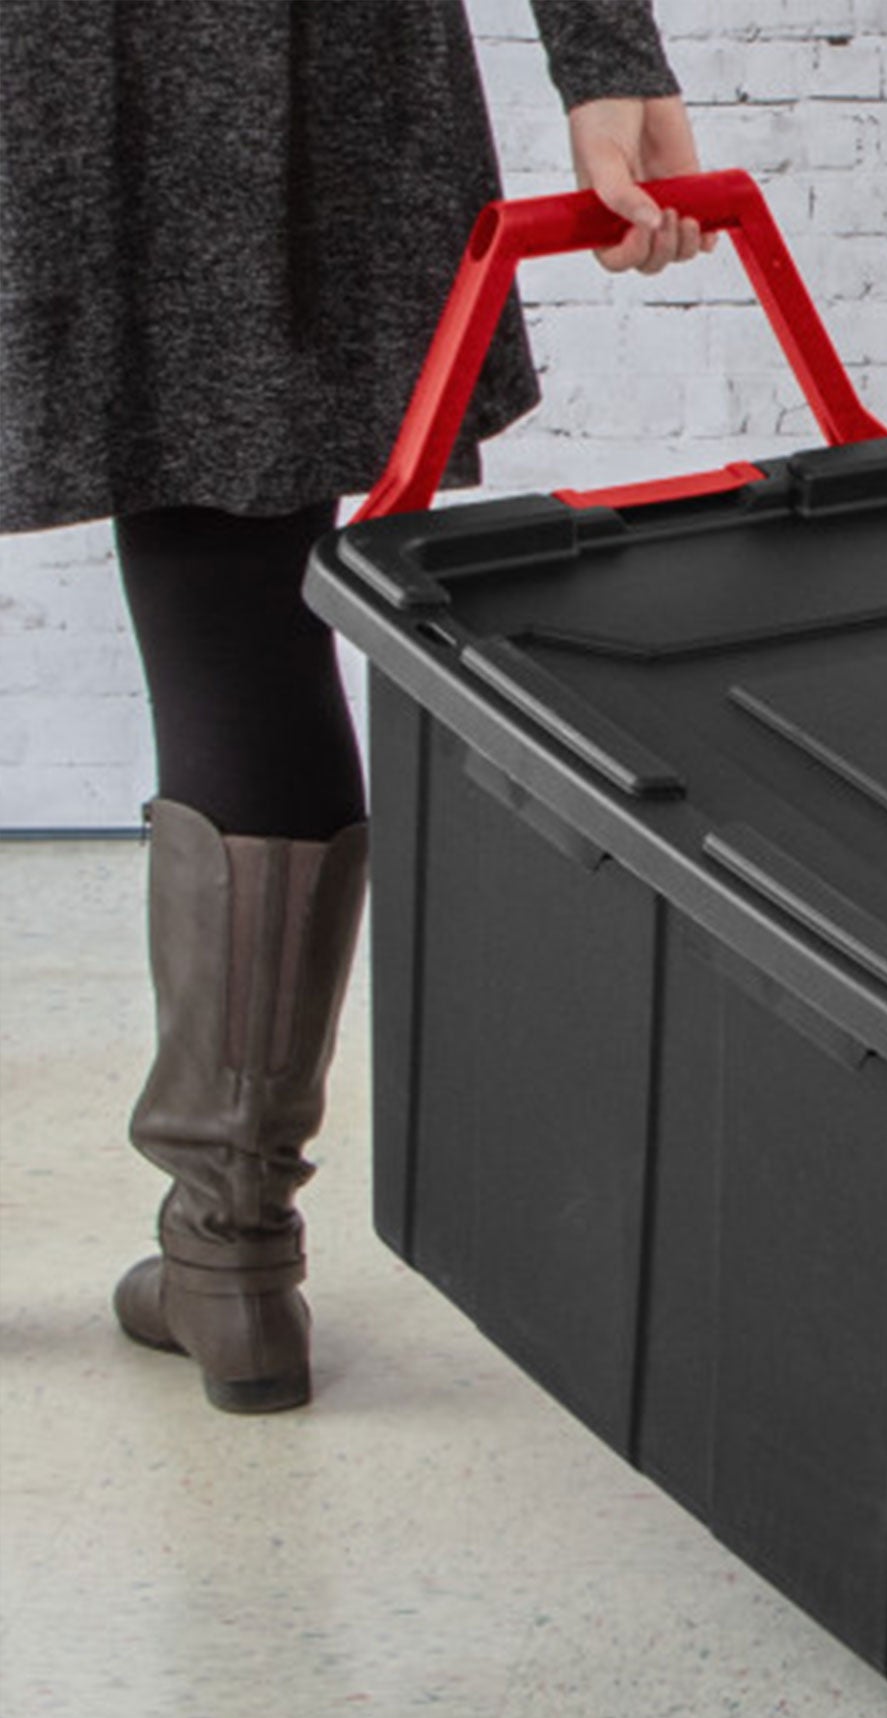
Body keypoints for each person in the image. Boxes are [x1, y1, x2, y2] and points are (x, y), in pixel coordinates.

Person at [0, 1, 707, 1413]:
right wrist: (605, 58)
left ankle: (228, 1246)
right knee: (244, 607)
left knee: (237, 597)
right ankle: (233, 1254)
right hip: (282, 54)